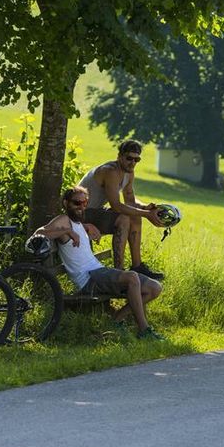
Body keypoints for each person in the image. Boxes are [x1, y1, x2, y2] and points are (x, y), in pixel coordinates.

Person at [34, 186, 165, 340]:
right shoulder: (63, 220)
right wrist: (66, 232)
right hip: (88, 278)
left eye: (85, 203)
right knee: (132, 278)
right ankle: (144, 330)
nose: (81, 207)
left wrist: (85, 226)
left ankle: (115, 319)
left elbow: (77, 226)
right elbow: (39, 233)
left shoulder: (78, 223)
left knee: (155, 288)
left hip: (98, 272)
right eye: (77, 203)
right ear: (66, 203)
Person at [78, 139, 166, 281]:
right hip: (82, 213)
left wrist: (145, 208)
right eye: (129, 158)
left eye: (137, 159)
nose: (132, 162)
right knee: (124, 218)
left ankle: (137, 266)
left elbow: (130, 200)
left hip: (96, 210)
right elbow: (117, 206)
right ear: (119, 156)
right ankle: (118, 271)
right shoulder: (110, 171)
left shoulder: (129, 173)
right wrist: (147, 214)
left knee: (134, 216)